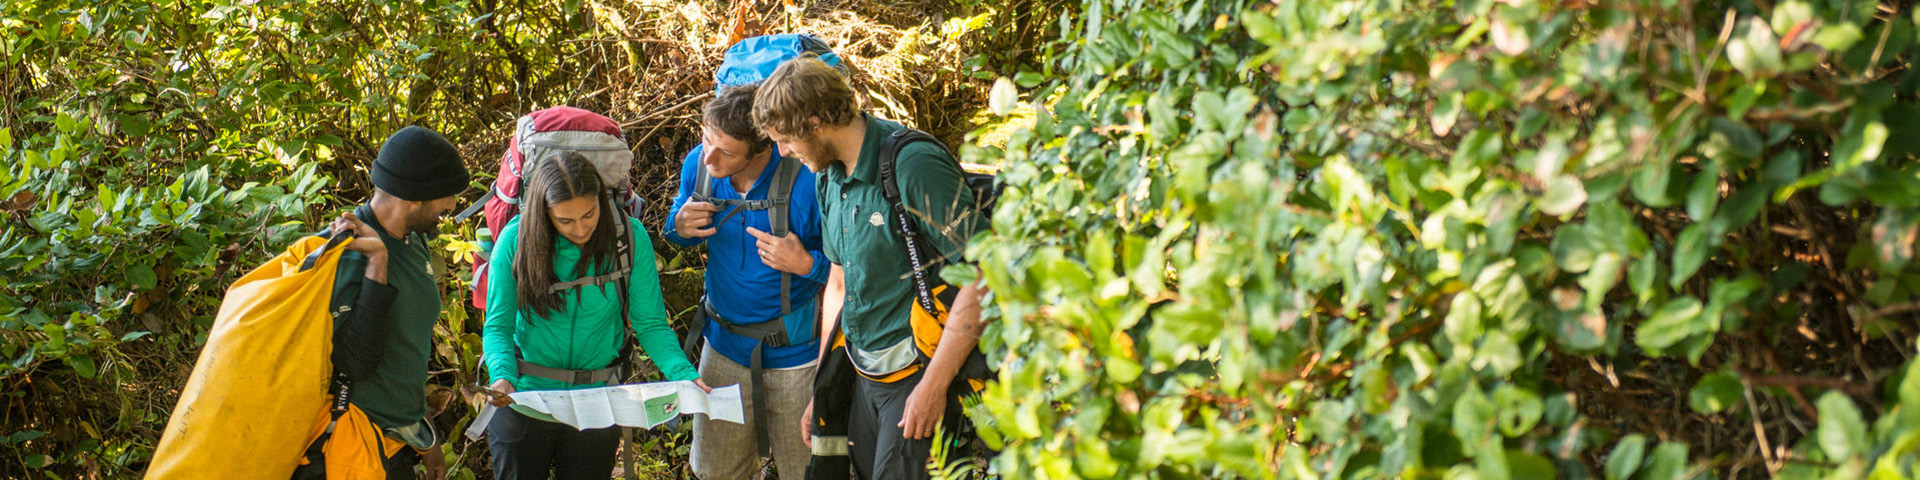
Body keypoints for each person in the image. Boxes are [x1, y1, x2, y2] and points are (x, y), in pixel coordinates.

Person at [753, 55, 990, 479]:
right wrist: (821, 387)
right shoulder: (827, 176)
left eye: (785, 139)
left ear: (814, 121)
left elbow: (985, 274)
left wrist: (933, 387)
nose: (782, 153)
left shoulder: (912, 164)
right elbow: (839, 282)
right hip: (863, 374)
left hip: (920, 371)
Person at [480, 151, 707, 480]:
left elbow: (651, 323)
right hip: (526, 399)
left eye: (589, 214)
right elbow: (498, 325)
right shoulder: (518, 240)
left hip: (597, 402)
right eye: (565, 220)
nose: (581, 228)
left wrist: (682, 373)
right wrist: (502, 376)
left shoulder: (628, 239)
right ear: (544, 213)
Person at [664, 84, 826, 480]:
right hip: (722, 350)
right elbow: (675, 228)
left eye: (726, 151)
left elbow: (851, 269)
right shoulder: (698, 166)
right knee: (714, 472)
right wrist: (678, 226)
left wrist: (806, 263)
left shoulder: (808, 180)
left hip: (796, 356)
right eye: (705, 140)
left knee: (806, 472)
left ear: (763, 146)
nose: (709, 156)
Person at [316, 125, 469, 480]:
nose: (452, 205)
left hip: (398, 443)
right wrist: (377, 264)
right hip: (350, 449)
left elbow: (404, 355)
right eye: (447, 196)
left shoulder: (412, 239)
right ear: (414, 197)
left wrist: (425, 440)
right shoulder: (347, 250)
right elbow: (349, 364)